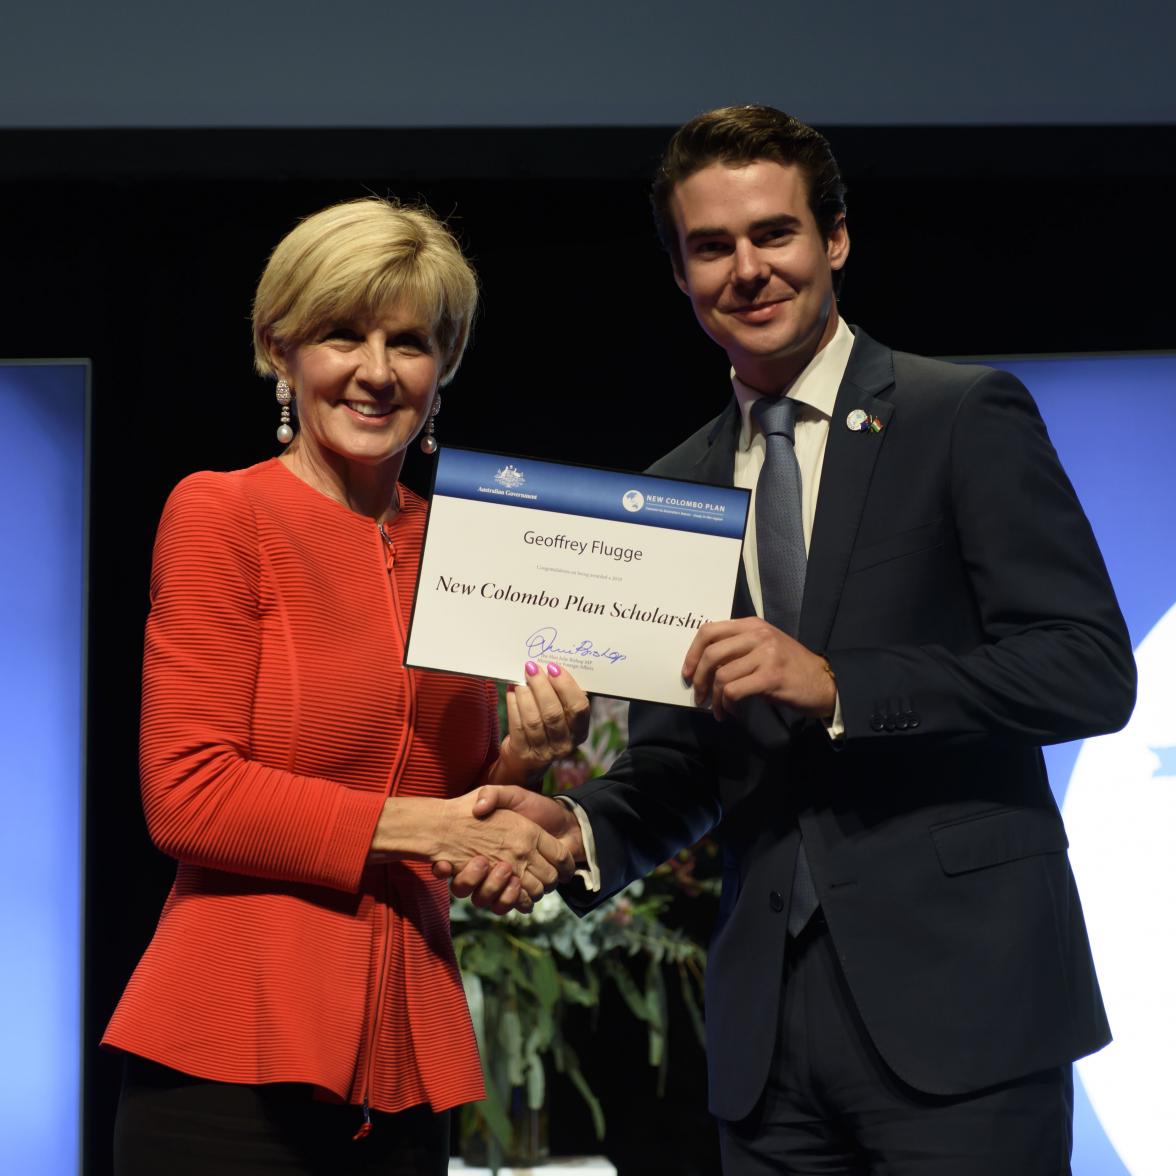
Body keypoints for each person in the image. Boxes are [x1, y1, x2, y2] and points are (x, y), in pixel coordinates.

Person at [445, 107, 1137, 1173]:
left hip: (966, 1011)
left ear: (836, 239)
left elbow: (1088, 668)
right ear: (679, 273)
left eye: (775, 234)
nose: (749, 270)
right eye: (711, 247)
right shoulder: (670, 492)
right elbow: (687, 767)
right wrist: (572, 830)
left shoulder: (961, 417)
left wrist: (841, 685)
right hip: (770, 1040)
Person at [102, 196, 589, 1176]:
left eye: (408, 341)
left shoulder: (461, 549)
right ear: (279, 349)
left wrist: (523, 764)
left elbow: (457, 818)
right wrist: (426, 827)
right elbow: (187, 793)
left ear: (443, 365)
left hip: (403, 1067)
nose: (376, 370)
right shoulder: (220, 513)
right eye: (340, 333)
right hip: (227, 1065)